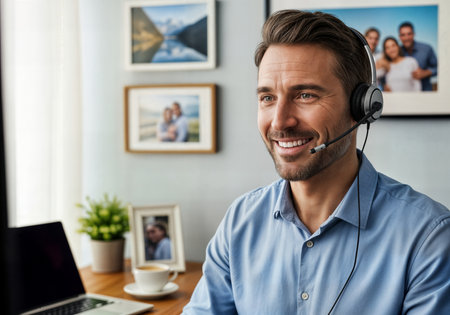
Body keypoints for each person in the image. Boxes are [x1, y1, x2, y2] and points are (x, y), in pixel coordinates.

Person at [182, 10, 450, 315]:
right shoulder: (240, 222)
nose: (280, 121)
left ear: (361, 107)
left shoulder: (428, 237)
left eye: (306, 95)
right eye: (267, 98)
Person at [398, 21, 438, 91]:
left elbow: (439, 68)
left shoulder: (427, 49)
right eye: (403, 35)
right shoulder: (397, 52)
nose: (406, 38)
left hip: (425, 93)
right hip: (405, 94)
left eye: (409, 34)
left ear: (414, 34)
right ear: (399, 37)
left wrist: (426, 73)